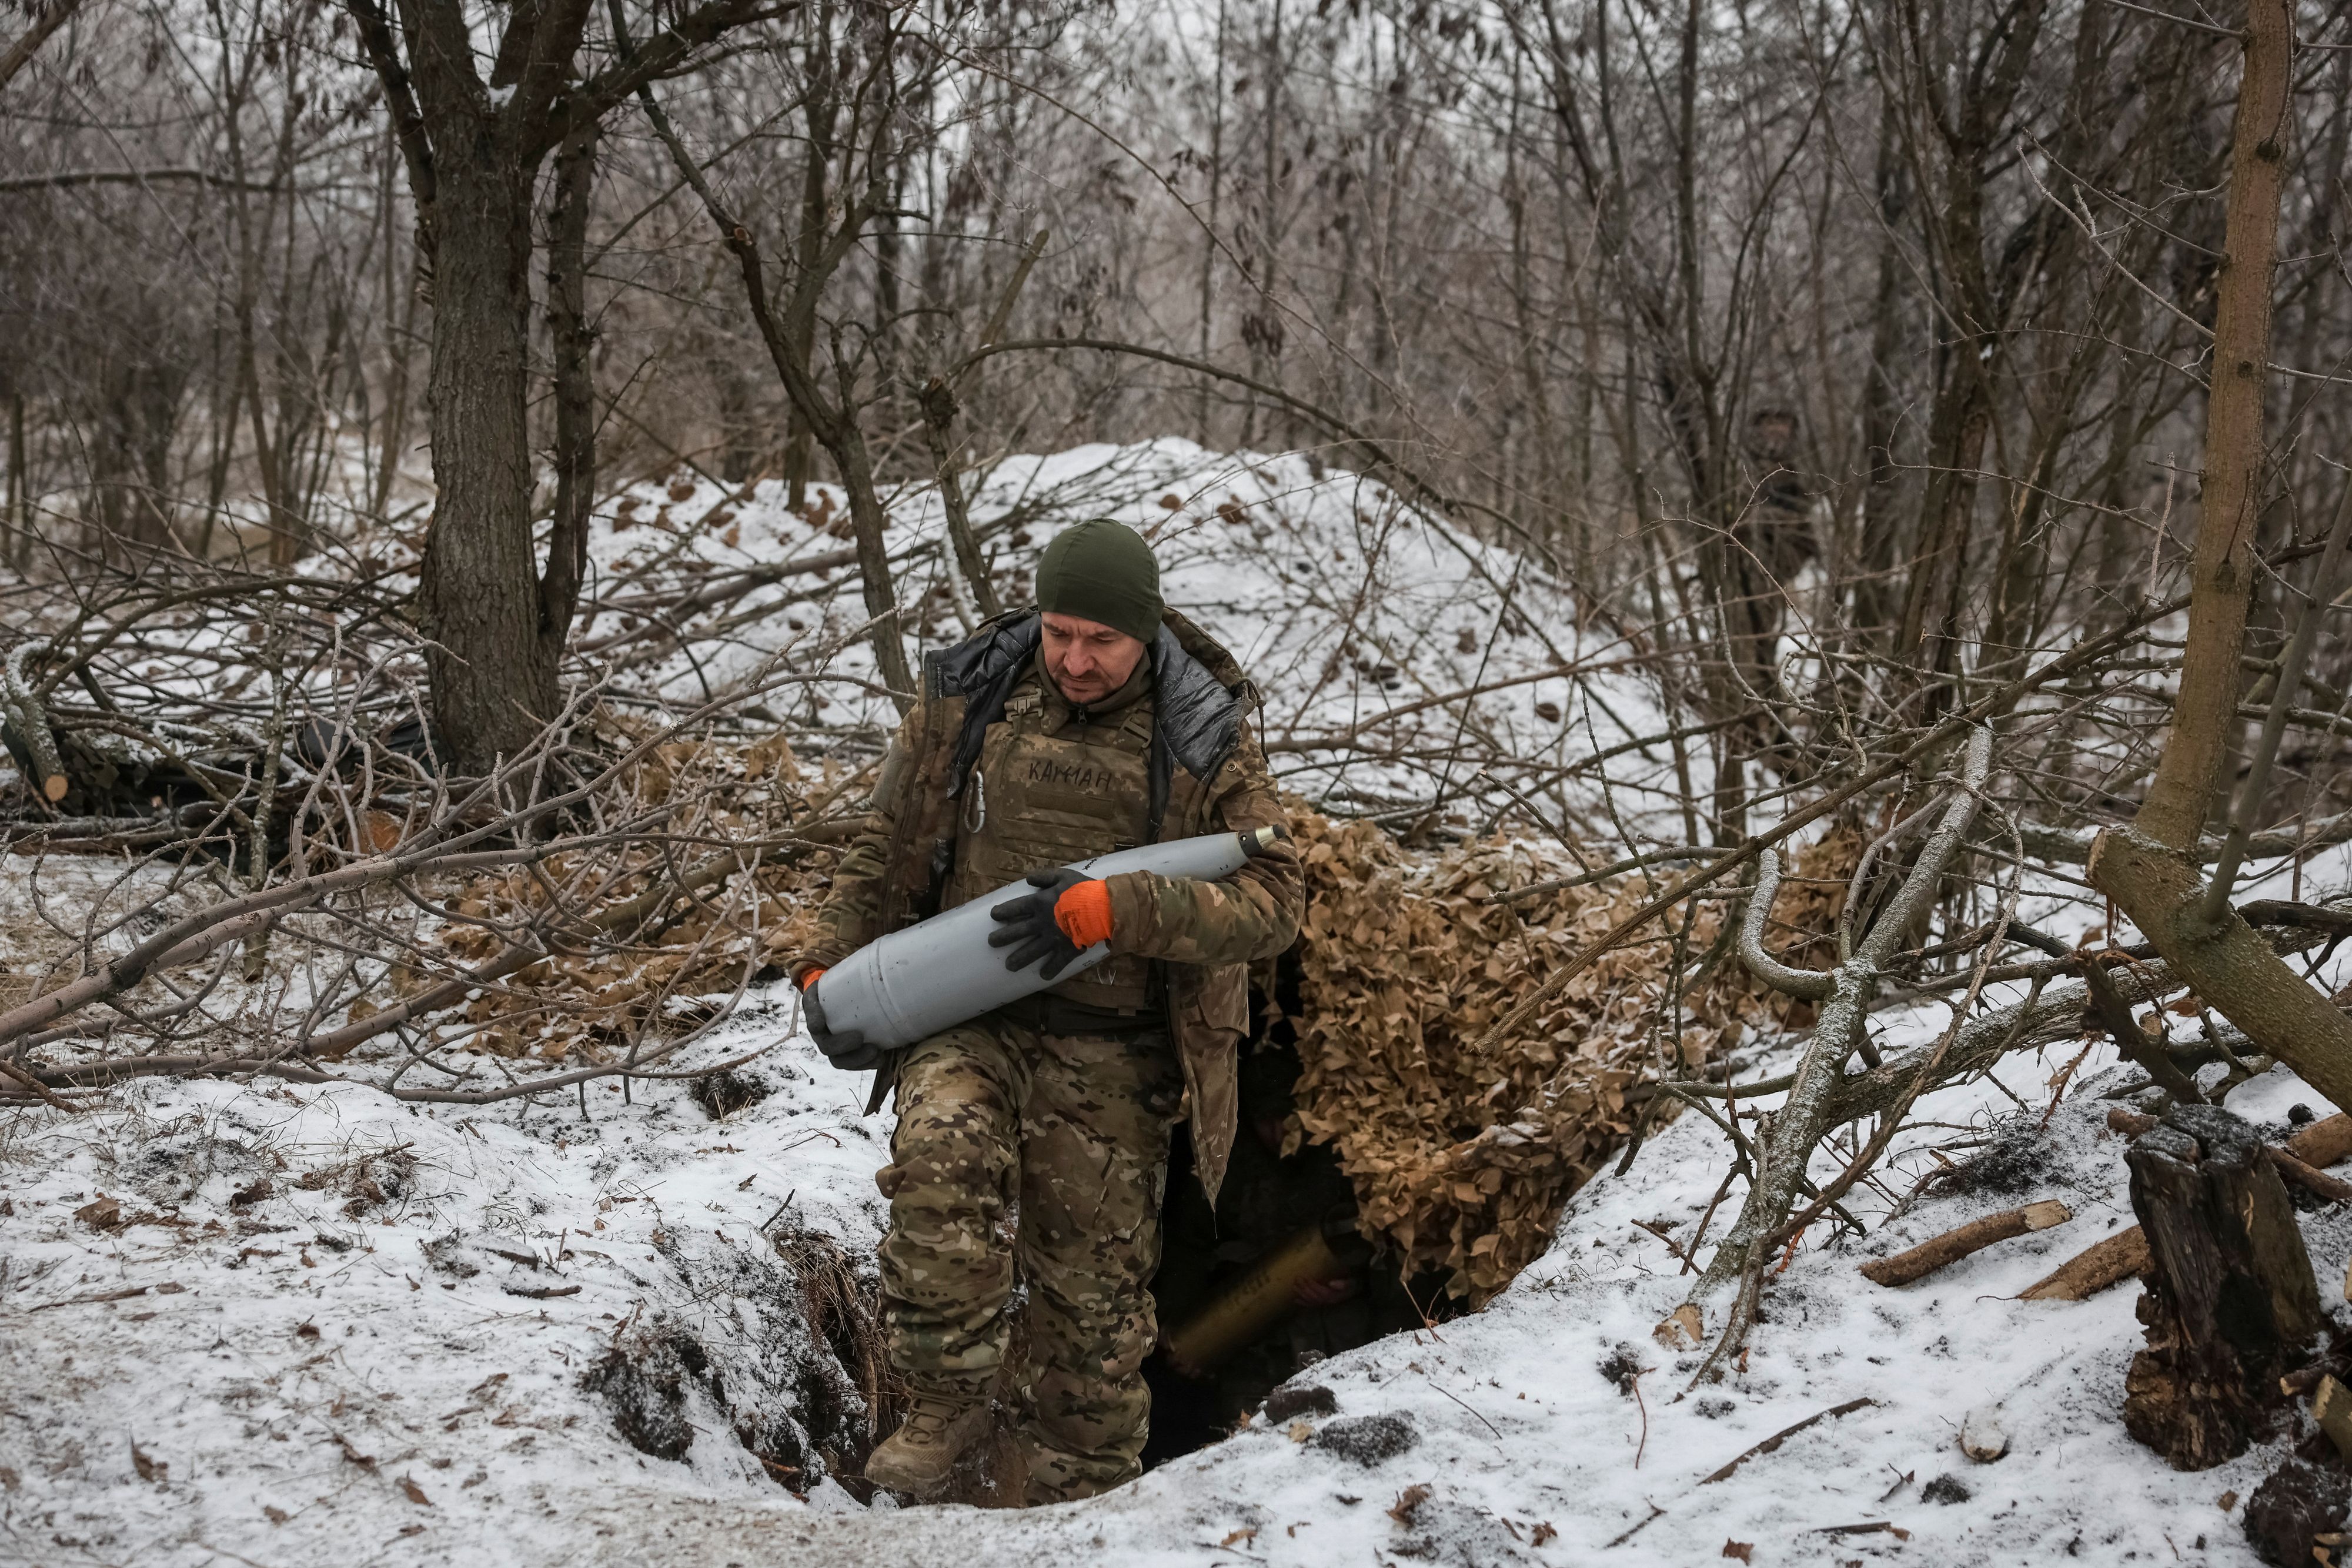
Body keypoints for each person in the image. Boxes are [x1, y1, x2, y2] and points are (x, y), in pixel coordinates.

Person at [790, 519, 1304, 1504]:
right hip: (969, 1015)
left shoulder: (1202, 733)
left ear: (1144, 634)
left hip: (1117, 1050)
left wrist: (1126, 907)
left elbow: (1277, 900)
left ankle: (1086, 1499)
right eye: (1059, 632)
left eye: (1100, 642)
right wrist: (824, 954)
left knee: (1094, 1318)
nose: (1074, 659)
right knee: (940, 1161)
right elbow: (880, 841)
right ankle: (946, 1404)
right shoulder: (971, 697)